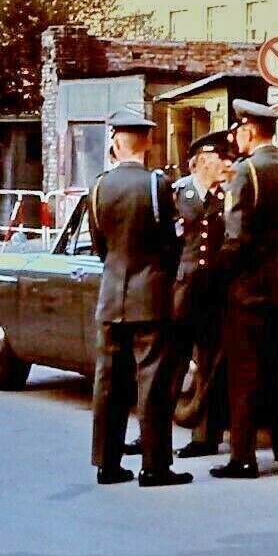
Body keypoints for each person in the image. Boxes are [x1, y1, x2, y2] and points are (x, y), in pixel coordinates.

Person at [211, 100, 278, 480]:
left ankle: (243, 456)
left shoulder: (246, 173)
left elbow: (235, 239)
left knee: (245, 375)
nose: (236, 138)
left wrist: (220, 281)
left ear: (249, 131)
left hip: (248, 294)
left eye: (238, 131)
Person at [87, 111, 190, 488]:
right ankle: (154, 465)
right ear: (146, 142)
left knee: (109, 382)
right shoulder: (157, 184)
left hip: (112, 294)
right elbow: (172, 241)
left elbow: (99, 245)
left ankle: (107, 463)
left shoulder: (98, 187)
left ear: (115, 143)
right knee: (153, 382)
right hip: (151, 295)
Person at [170, 130, 236, 460]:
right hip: (182, 291)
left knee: (210, 364)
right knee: (172, 362)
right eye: (220, 159)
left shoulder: (226, 198)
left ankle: (205, 436)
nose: (226, 164)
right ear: (202, 162)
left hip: (214, 293)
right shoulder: (177, 194)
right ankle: (152, 431)